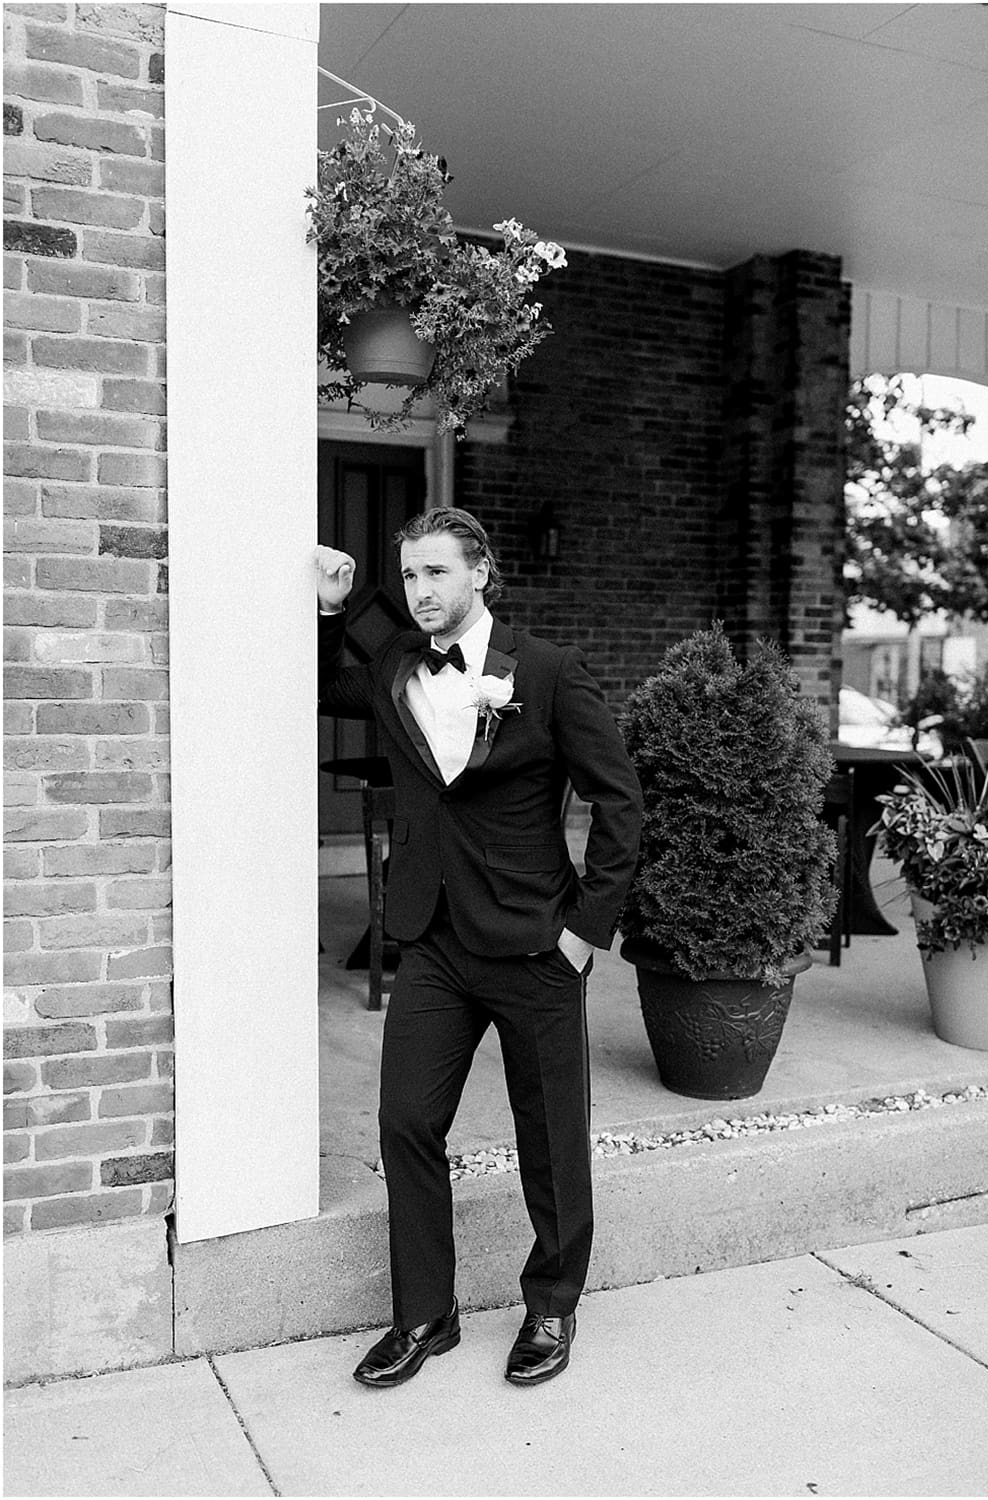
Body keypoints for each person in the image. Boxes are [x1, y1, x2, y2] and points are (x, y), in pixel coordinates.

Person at [316, 508, 642, 1389]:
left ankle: (551, 1304)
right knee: (406, 1123)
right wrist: (328, 612)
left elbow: (621, 806)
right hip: (431, 940)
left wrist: (585, 934)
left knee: (551, 1136)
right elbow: (318, 689)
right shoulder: (392, 667)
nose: (420, 591)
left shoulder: (547, 673)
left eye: (435, 573)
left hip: (537, 944)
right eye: (410, 575)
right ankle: (427, 1312)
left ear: (480, 573)